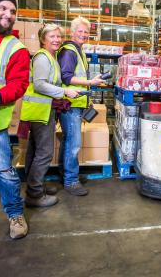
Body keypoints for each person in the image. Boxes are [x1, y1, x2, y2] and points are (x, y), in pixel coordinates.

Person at [0, 0, 30, 239]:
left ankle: (15, 215)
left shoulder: (16, 48)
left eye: (12, 11)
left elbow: (20, 83)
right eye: (3, 8)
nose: (8, 15)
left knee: (3, 171)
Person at [20, 24, 79, 207]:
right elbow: (40, 85)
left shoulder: (51, 57)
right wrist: (64, 92)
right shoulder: (42, 57)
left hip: (42, 110)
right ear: (43, 39)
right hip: (40, 111)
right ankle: (35, 194)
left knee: (35, 151)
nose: (56, 40)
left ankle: (34, 186)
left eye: (58, 36)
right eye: (52, 36)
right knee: (44, 153)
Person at [57, 17, 105, 196]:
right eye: (80, 31)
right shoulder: (70, 51)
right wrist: (90, 82)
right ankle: (71, 181)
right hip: (70, 104)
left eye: (86, 32)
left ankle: (66, 174)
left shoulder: (78, 50)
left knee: (68, 140)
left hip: (75, 102)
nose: (84, 35)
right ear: (72, 31)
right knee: (74, 143)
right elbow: (66, 77)